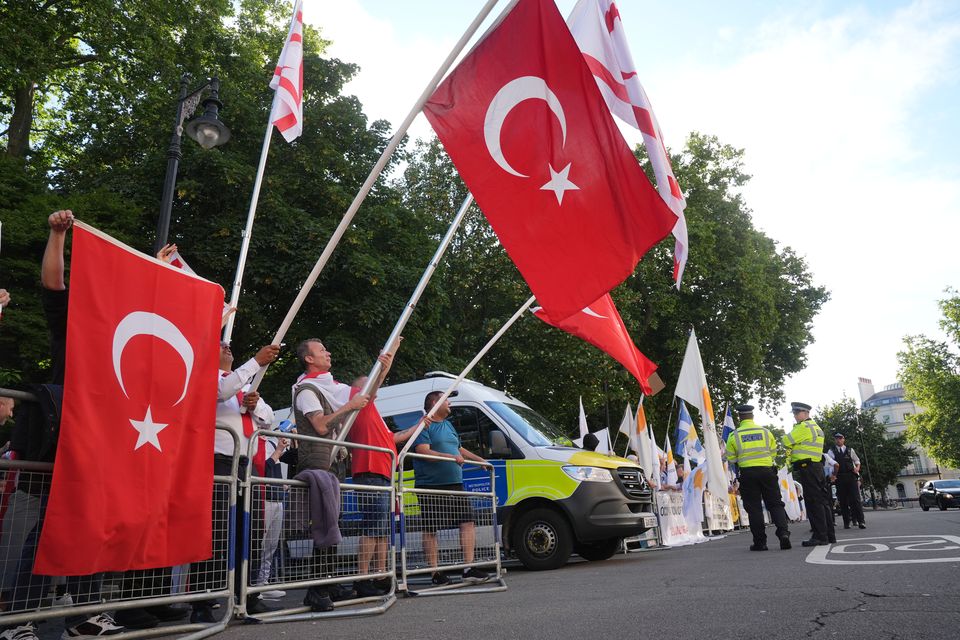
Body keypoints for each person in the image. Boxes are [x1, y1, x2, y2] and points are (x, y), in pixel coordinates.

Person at [190, 341, 280, 623]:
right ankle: (202, 603)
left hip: (246, 464)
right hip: (217, 462)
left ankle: (246, 597)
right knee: (216, 532)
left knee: (249, 533)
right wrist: (256, 361)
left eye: (229, 344)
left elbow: (269, 420)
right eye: (220, 344)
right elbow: (221, 391)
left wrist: (253, 407)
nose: (228, 346)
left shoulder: (243, 387)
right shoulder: (208, 379)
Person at [290, 338, 372, 612]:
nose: (328, 352)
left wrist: (384, 364)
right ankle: (317, 590)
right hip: (318, 466)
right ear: (308, 359)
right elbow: (321, 426)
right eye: (322, 350)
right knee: (325, 527)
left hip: (332, 466)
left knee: (332, 525)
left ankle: (329, 584)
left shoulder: (329, 389)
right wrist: (350, 407)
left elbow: (366, 392)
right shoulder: (306, 391)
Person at [346, 371, 417, 598]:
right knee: (372, 528)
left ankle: (379, 575)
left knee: (382, 530)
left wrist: (421, 424)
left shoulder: (375, 415)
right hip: (370, 472)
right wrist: (385, 364)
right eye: (366, 385)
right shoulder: (360, 405)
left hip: (382, 474)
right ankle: (363, 578)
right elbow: (375, 384)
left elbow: (395, 438)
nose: (372, 389)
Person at [413, 392, 490, 585]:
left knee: (467, 521)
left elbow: (459, 449)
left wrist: (480, 460)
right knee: (431, 528)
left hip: (455, 483)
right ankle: (435, 573)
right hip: (430, 485)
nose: (450, 404)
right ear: (434, 402)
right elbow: (423, 451)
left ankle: (468, 568)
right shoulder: (424, 423)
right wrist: (450, 458)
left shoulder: (448, 425)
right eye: (447, 399)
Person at [724, 405, 791, 551]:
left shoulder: (734, 435)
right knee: (775, 504)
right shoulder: (765, 432)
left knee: (754, 508)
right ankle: (784, 534)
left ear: (740, 418)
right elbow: (773, 453)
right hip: (767, 471)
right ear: (752, 416)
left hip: (748, 474)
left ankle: (760, 542)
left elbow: (731, 458)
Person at [783, 402, 835, 547]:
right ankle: (829, 535)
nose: (794, 416)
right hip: (816, 467)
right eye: (794, 413)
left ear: (805, 413)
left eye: (796, 413)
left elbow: (786, 440)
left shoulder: (803, 427)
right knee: (823, 502)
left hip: (808, 467)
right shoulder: (816, 427)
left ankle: (820, 536)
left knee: (813, 503)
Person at [830, 433, 866, 529]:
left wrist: (857, 468)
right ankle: (847, 522)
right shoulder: (831, 451)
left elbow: (857, 461)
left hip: (851, 476)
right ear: (835, 440)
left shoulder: (850, 450)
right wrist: (833, 475)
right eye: (837, 439)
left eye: (840, 438)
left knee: (856, 499)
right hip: (840, 477)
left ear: (843, 439)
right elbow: (830, 464)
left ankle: (861, 521)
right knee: (843, 500)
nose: (838, 440)